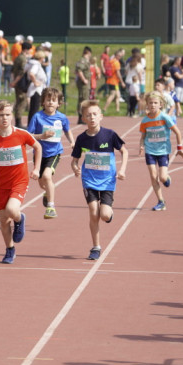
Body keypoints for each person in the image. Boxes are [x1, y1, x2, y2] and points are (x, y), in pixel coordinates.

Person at [0, 100, 41, 264]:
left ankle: (19, 219)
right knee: (3, 220)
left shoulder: (21, 134)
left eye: (8, 115)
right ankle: (10, 249)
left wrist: (36, 169)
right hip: (2, 184)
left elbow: (37, 147)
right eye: (1, 115)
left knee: (11, 209)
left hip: (19, 181)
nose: (4, 118)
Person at [71, 100, 128, 261]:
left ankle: (108, 214)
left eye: (95, 114)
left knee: (104, 214)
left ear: (101, 116)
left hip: (108, 181)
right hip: (89, 180)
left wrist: (122, 169)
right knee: (93, 212)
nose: (92, 117)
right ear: (83, 118)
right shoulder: (82, 139)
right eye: (88, 115)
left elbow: (124, 151)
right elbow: (74, 160)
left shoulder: (109, 134)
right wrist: (75, 167)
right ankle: (96, 247)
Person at [27, 87, 75, 220]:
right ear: (43, 102)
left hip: (54, 153)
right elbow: (28, 136)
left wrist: (72, 142)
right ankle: (47, 192)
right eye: (48, 100)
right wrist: (42, 136)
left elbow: (67, 130)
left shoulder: (62, 118)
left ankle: (51, 207)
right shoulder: (37, 117)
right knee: (42, 182)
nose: (50, 103)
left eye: (53, 100)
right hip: (39, 154)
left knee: (47, 176)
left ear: (58, 103)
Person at [138, 91, 183, 212]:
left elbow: (177, 132)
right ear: (147, 105)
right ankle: (161, 201)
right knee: (153, 176)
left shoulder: (165, 117)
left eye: (155, 103)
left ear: (160, 105)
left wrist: (180, 148)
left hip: (163, 151)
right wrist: (141, 146)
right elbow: (143, 137)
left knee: (162, 177)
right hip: (150, 151)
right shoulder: (144, 121)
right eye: (150, 103)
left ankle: (167, 179)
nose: (153, 105)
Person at [74, 47, 92, 119]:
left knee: (84, 99)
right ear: (88, 53)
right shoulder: (83, 61)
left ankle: (82, 116)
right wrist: (84, 79)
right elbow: (79, 71)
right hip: (83, 83)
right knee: (84, 99)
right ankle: (82, 116)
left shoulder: (85, 61)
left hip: (85, 83)